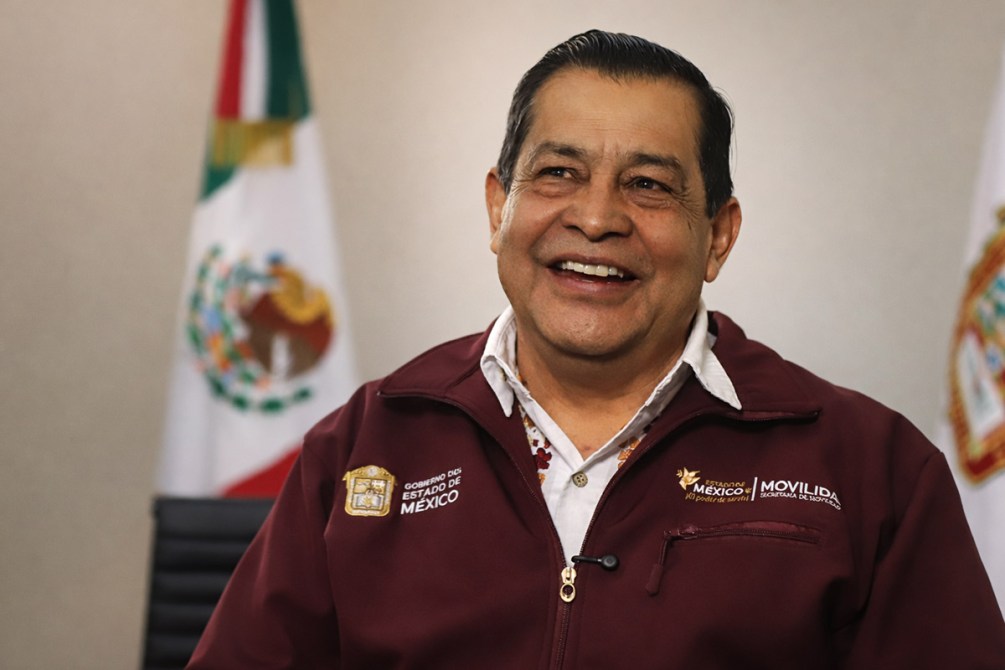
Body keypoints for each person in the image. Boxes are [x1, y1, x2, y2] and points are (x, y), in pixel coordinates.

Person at [187, 30, 1005, 669]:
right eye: (557, 174)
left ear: (716, 235)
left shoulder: (868, 468)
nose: (596, 217)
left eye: (648, 185)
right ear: (497, 208)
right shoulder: (366, 443)